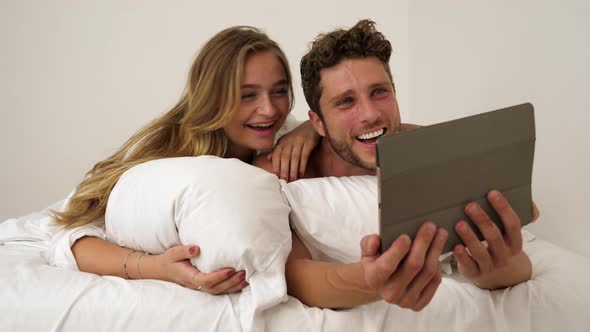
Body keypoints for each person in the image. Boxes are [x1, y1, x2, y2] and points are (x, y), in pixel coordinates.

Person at [255, 19, 540, 310]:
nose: (370, 114)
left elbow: (519, 264)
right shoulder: (282, 170)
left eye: (379, 92)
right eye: (345, 102)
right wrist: (371, 280)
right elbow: (295, 275)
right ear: (317, 122)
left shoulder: (435, 151)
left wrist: (495, 269)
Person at [50, 25, 318, 295]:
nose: (269, 109)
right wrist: (157, 267)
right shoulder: (166, 155)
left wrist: (311, 129)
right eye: (248, 95)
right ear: (212, 98)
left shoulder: (281, 134)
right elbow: (70, 239)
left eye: (279, 91)